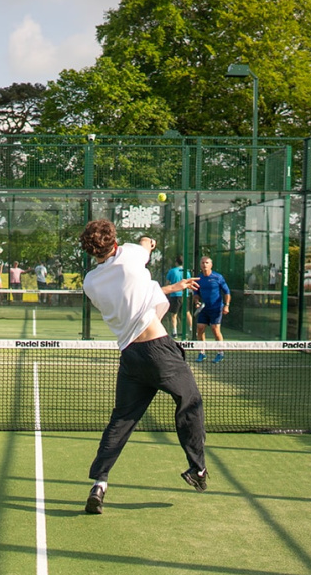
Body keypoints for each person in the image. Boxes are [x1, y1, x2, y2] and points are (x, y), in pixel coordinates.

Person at [79, 219, 205, 515]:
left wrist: (174, 287)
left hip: (130, 358)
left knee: (121, 421)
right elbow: (146, 245)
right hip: (159, 350)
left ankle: (100, 482)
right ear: (114, 243)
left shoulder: (90, 283)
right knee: (191, 402)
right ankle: (197, 469)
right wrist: (148, 240)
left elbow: (133, 294)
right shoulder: (131, 255)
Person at [193, 256, 231, 363]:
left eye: (207, 263)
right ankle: (202, 352)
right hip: (204, 308)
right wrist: (197, 302)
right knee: (200, 329)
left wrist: (227, 305)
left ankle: (220, 353)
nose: (205, 265)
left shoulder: (218, 277)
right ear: (200, 265)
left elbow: (227, 292)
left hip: (216, 308)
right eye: (203, 263)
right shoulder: (199, 279)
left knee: (215, 330)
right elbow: (196, 294)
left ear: (211, 265)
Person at [165, 256, 192, 338]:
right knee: (187, 313)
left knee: (174, 315)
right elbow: (189, 283)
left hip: (175, 295)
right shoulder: (187, 272)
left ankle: (174, 332)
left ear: (176, 262)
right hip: (185, 295)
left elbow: (167, 283)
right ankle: (191, 330)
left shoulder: (172, 271)